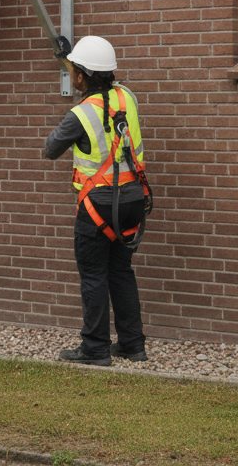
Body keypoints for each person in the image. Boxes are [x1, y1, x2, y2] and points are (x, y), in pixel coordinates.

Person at [43, 36, 152, 366]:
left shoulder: (80, 115)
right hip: (132, 199)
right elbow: (100, 80)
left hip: (98, 205)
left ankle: (95, 349)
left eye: (73, 71)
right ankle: (133, 345)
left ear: (81, 75)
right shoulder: (127, 97)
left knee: (94, 276)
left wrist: (74, 66)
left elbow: (50, 149)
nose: (71, 76)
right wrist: (67, 58)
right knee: (121, 271)